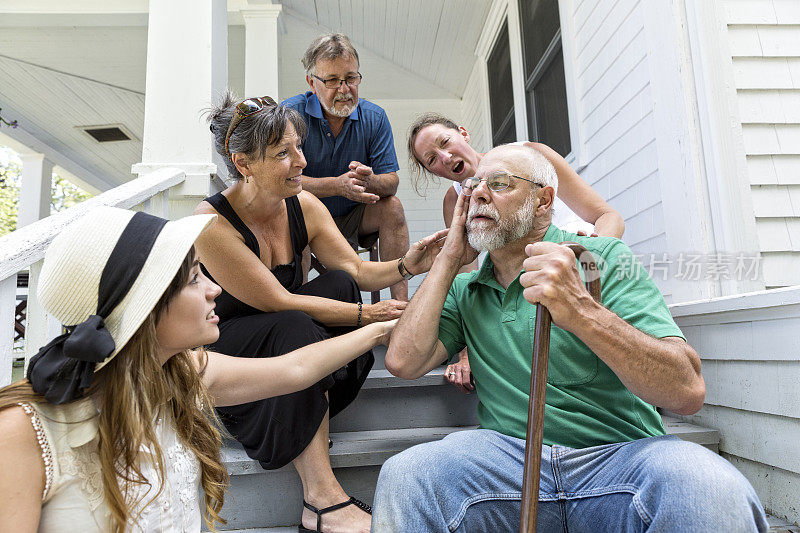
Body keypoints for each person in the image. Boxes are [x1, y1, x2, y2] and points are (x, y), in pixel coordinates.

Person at [373, 144, 767, 532]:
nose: (477, 193)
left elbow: (686, 390)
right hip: (508, 462)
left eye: (498, 183)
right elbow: (403, 362)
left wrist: (582, 311)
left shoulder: (602, 257)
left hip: (620, 457)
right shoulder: (464, 289)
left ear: (543, 200)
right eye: (473, 185)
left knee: (711, 489)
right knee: (408, 477)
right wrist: (448, 258)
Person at [0, 206, 396, 532]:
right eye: (193, 279)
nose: (214, 289)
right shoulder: (23, 431)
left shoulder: (180, 373)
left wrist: (380, 330)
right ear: (145, 306)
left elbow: (294, 370)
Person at [197, 93, 444, 532]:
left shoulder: (302, 204)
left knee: (340, 282)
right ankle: (322, 501)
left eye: (298, 147)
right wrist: (367, 319)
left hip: (294, 337)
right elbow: (277, 300)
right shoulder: (212, 223)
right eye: (283, 154)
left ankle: (308, 415)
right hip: (236, 348)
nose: (301, 162)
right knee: (296, 321)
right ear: (243, 163)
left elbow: (355, 268)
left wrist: (410, 264)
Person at [407, 112, 627, 394]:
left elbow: (609, 216)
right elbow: (466, 280)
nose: (445, 157)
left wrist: (592, 253)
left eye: (445, 142)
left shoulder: (532, 157)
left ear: (463, 133)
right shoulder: (455, 201)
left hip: (584, 270)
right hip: (531, 293)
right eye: (432, 159)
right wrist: (466, 353)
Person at [282, 33, 411, 301]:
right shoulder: (289, 114)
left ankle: (401, 308)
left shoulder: (375, 117)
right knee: (292, 211)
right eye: (331, 80)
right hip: (305, 219)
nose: (343, 89)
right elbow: (280, 180)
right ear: (311, 82)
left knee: (393, 207)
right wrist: (337, 186)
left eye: (351, 78)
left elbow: (392, 182)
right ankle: (301, 308)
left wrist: (368, 180)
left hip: (355, 218)